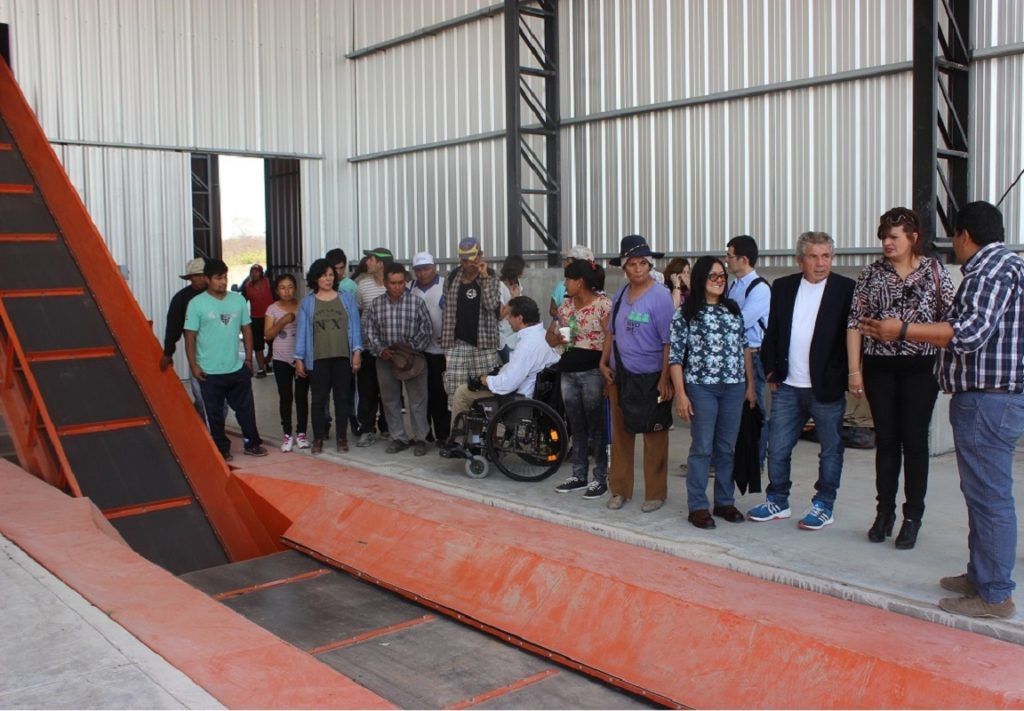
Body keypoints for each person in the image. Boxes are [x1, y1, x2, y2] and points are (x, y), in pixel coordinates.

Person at [860, 201, 1024, 619]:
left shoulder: (991, 270)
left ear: (965, 236)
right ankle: (981, 575)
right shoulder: (1001, 266)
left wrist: (903, 329)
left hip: (989, 399)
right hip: (986, 397)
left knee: (989, 498)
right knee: (979, 494)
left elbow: (968, 334)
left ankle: (995, 594)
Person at [846, 208, 954, 549]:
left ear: (913, 237)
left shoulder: (935, 272)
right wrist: (854, 371)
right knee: (887, 441)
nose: (887, 242)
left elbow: (950, 323)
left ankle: (913, 517)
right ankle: (885, 513)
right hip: (880, 367)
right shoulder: (871, 274)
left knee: (915, 442)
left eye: (894, 236)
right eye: (883, 237)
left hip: (920, 368)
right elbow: (854, 324)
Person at [746, 231, 854, 530]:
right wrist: (770, 371)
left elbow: (851, 337)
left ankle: (824, 504)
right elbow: (773, 333)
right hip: (788, 386)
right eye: (814, 256)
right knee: (777, 447)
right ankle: (777, 500)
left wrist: (843, 376)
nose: (821, 263)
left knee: (830, 449)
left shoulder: (846, 289)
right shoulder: (783, 287)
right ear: (800, 260)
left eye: (826, 256)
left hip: (825, 387)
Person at [671, 256, 757, 529]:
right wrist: (681, 395)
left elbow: (744, 349)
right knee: (702, 448)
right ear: (700, 280)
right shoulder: (686, 313)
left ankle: (724, 502)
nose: (719, 280)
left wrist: (750, 385)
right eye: (713, 276)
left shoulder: (733, 310)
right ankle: (697, 506)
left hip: (733, 387)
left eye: (722, 276)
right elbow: (675, 358)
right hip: (702, 387)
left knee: (726, 448)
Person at [600, 235, 675, 513]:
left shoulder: (661, 297)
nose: (638, 268)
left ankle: (655, 493)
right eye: (632, 263)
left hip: (652, 377)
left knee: (655, 436)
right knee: (621, 436)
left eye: (643, 263)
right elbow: (611, 333)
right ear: (624, 267)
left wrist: (665, 379)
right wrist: (603, 362)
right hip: (621, 377)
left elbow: (669, 342)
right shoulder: (620, 294)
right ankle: (619, 490)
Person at [183, 259, 267, 460]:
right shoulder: (196, 304)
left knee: (246, 411)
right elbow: (190, 337)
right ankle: (221, 448)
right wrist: (194, 366)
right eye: (218, 278)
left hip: (236, 368)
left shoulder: (237, 301)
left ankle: (252, 443)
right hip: (209, 372)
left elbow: (246, 330)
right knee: (215, 415)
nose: (223, 282)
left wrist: (248, 360)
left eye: (225, 277)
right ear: (207, 279)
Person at [547, 259, 611, 500]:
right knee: (576, 424)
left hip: (593, 372)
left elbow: (610, 338)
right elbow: (549, 337)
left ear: (580, 281)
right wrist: (558, 340)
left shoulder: (603, 305)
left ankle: (600, 477)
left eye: (568, 280)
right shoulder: (565, 307)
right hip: (569, 372)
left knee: (596, 426)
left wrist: (605, 367)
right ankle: (579, 474)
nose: (565, 284)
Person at [363, 262, 434, 456]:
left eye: (401, 282)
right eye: (393, 283)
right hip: (386, 359)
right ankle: (399, 438)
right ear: (385, 283)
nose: (397, 286)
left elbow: (426, 330)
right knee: (390, 399)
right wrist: (381, 350)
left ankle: (421, 438)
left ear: (405, 282)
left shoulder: (416, 303)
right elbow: (369, 331)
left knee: (418, 400)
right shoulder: (376, 305)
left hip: (413, 359)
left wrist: (411, 349)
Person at [449, 296, 558, 420]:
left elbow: (507, 384)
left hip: (519, 400)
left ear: (519, 318)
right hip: (534, 396)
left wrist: (484, 380)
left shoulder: (527, 345)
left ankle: (458, 439)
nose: (507, 319)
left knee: (462, 392)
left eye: (509, 316)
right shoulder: (543, 335)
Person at [295, 258, 363, 454]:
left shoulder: (346, 299)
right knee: (318, 400)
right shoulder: (307, 303)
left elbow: (356, 328)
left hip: (342, 357)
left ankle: (342, 437)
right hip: (317, 359)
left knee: (342, 399)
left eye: (331, 274)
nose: (328, 278)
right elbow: (302, 333)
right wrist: (299, 358)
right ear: (316, 278)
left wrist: (357, 352)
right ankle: (318, 438)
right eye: (324, 275)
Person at [725, 234, 771, 471]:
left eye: (730, 256)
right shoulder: (733, 286)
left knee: (755, 410)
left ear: (743, 259)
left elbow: (739, 322)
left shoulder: (759, 289)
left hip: (753, 355)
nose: (727, 260)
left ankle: (756, 460)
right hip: (735, 355)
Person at [441, 237, 502, 410]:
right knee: (455, 394)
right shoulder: (452, 277)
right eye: (464, 259)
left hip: (483, 345)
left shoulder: (491, 276)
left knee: (484, 393)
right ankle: (459, 434)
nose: (468, 263)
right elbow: (447, 310)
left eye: (472, 258)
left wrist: (483, 278)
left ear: (480, 255)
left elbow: (491, 305)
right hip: (457, 343)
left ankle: (483, 435)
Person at [159, 257, 210, 421]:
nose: (201, 278)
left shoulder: (218, 295)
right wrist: (168, 352)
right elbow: (173, 327)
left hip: (222, 353)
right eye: (197, 275)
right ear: (190, 278)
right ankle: (205, 426)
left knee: (221, 399)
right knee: (202, 395)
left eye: (204, 275)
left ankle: (213, 428)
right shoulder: (181, 299)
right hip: (196, 353)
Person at [264, 273, 310, 452]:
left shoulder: (304, 305)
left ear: (295, 288)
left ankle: (301, 433)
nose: (287, 291)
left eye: (290, 287)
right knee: (285, 397)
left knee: (301, 397)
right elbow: (268, 335)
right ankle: (287, 434)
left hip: (301, 358)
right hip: (281, 358)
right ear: (277, 290)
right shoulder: (272, 309)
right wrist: (283, 321)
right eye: (282, 287)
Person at [410, 251, 450, 444]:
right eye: (418, 270)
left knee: (440, 395)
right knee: (420, 395)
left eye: (426, 268)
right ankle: (424, 434)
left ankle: (443, 434)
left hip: (440, 351)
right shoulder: (410, 288)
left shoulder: (446, 286)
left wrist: (451, 335)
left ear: (434, 267)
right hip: (419, 351)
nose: (422, 273)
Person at [355, 247, 394, 445]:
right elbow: (358, 313)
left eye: (370, 259)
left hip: (390, 350)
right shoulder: (362, 285)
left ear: (380, 263)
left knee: (389, 390)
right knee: (367, 390)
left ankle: (388, 427)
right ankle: (367, 429)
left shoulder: (395, 285)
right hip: (369, 349)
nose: (366, 262)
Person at [326, 247, 361, 440]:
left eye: (341, 268)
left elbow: (355, 317)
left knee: (348, 388)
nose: (337, 273)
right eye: (334, 269)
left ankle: (352, 419)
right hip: (325, 346)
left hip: (346, 345)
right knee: (324, 387)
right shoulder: (319, 288)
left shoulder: (349, 287)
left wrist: (356, 348)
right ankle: (325, 422)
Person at [240, 264, 273, 377]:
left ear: (261, 273)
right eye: (252, 271)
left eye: (256, 271)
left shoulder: (269, 283)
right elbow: (241, 302)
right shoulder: (247, 287)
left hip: (271, 318)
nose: (254, 274)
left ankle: (268, 360)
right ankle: (261, 368)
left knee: (273, 343)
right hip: (255, 319)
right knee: (258, 345)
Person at [549, 244, 594, 318]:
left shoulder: (598, 297)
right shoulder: (561, 287)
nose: (565, 264)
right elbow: (553, 310)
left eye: (568, 261)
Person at [498, 255, 526, 363]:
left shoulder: (517, 283)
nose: (523, 272)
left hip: (517, 332)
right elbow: (500, 315)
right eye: (521, 269)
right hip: (504, 335)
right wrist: (513, 298)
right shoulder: (499, 286)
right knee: (511, 366)